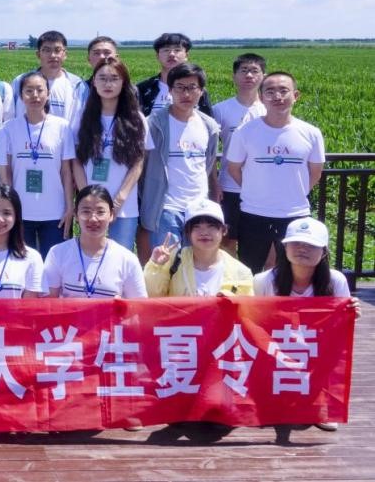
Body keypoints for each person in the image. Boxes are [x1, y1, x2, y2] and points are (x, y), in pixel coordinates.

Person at [253, 216, 358, 432]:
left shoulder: (335, 280)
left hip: (315, 348)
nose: (302, 249)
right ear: (285, 247)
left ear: (324, 252)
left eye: (311, 245)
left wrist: (350, 314)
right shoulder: (264, 280)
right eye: (296, 243)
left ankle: (321, 401)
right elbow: (254, 322)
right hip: (276, 347)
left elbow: (339, 330)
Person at [226, 71, 326, 273]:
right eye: (270, 92)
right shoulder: (245, 132)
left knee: (293, 270)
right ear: (261, 97)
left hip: (295, 214)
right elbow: (234, 168)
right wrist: (254, 190)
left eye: (283, 91)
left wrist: (295, 192)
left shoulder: (311, 133)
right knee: (249, 269)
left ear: (295, 96)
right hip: (253, 212)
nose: (277, 97)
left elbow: (315, 172)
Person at [140, 63, 220, 251]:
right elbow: (142, 164)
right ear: (170, 90)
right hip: (165, 207)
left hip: (198, 207)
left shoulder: (209, 126)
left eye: (192, 88)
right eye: (180, 87)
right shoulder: (154, 123)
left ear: (201, 91)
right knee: (168, 262)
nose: (186, 94)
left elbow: (208, 164)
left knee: (195, 262)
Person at [73, 57, 149, 251]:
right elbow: (76, 161)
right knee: (90, 253)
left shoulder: (136, 119)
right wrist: (87, 195)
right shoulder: (82, 117)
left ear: (124, 83)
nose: (108, 84)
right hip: (90, 205)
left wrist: (119, 198)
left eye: (114, 78)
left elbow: (138, 162)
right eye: (103, 78)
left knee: (120, 256)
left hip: (124, 206)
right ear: (94, 82)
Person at [0, 71, 74, 255]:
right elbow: (5, 172)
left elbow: (66, 172)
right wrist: (10, 207)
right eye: (29, 90)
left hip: (55, 213)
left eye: (40, 90)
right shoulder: (8, 129)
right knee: (22, 263)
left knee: (54, 265)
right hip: (21, 213)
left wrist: (69, 207)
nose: (35, 95)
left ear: (48, 93)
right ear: (21, 95)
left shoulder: (62, 127)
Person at [43, 185, 147, 299]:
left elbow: (139, 306)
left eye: (100, 212)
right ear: (76, 215)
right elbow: (48, 303)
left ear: (111, 214)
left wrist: (122, 306)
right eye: (86, 211)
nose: (93, 219)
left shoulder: (127, 260)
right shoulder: (58, 253)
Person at [211, 53, 267, 252]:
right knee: (227, 241)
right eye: (244, 71)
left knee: (261, 243)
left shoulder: (269, 110)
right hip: (229, 187)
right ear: (234, 76)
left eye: (254, 71)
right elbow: (210, 151)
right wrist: (214, 183)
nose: (249, 75)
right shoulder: (220, 110)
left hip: (262, 188)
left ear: (263, 76)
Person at [143, 198, 254, 297]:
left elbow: (248, 310)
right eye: (197, 227)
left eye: (211, 226)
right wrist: (156, 266)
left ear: (224, 230)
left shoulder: (240, 272)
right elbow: (150, 296)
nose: (204, 232)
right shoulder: (172, 261)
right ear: (188, 232)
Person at [10, 30, 87, 127]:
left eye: (57, 50)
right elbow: (10, 116)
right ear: (38, 54)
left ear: (65, 54)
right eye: (47, 50)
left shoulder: (77, 86)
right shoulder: (20, 81)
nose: (52, 55)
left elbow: (85, 121)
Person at [136, 32, 213, 117]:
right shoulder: (143, 89)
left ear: (186, 55)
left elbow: (207, 120)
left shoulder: (196, 89)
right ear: (157, 56)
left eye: (177, 50)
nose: (171, 54)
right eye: (166, 50)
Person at [76, 36, 120, 108]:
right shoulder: (80, 91)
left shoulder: (129, 90)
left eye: (107, 52)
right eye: (96, 53)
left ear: (116, 58)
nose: (102, 57)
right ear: (89, 59)